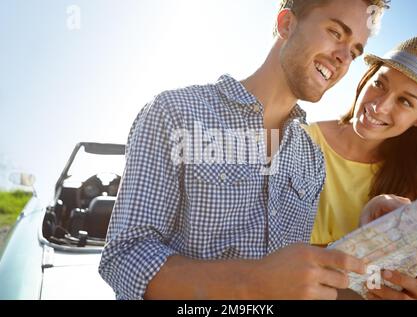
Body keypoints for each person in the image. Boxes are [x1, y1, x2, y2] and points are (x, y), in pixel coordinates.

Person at [99, 0, 395, 300]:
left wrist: (370, 275)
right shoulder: (175, 113)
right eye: (335, 33)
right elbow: (124, 258)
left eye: (355, 52)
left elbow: (300, 283)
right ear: (286, 24)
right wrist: (252, 282)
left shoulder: (311, 157)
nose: (344, 58)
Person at [304, 29, 417, 299]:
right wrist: (356, 246)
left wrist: (397, 290)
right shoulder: (299, 141)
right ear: (367, 77)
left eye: (405, 101)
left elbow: (381, 280)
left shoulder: (413, 188)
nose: (379, 106)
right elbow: (259, 254)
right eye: (380, 84)